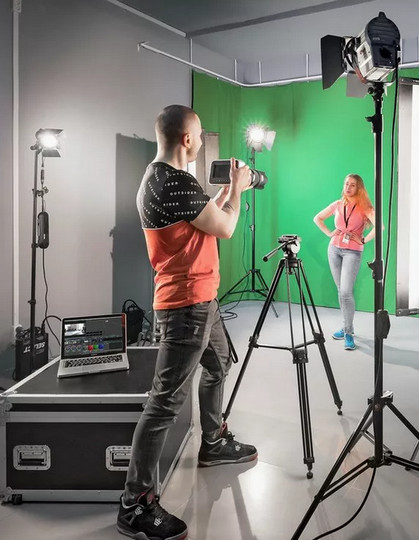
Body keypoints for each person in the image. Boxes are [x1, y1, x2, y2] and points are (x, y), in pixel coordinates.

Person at [117, 104, 257, 540]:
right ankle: (135, 504)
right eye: (198, 133)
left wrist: (224, 193)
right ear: (188, 139)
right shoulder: (174, 182)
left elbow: (202, 222)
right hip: (185, 306)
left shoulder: (160, 178)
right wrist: (238, 190)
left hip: (202, 298)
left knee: (219, 365)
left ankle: (212, 442)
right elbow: (226, 227)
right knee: (164, 403)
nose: (199, 140)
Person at [313, 174, 376, 351]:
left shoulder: (365, 207)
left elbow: (380, 226)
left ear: (359, 188)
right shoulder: (338, 204)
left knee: (346, 292)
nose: (348, 187)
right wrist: (329, 233)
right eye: (346, 184)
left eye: (352, 185)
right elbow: (317, 218)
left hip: (353, 251)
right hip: (334, 249)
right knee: (341, 291)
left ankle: (348, 333)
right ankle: (347, 326)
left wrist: (363, 240)